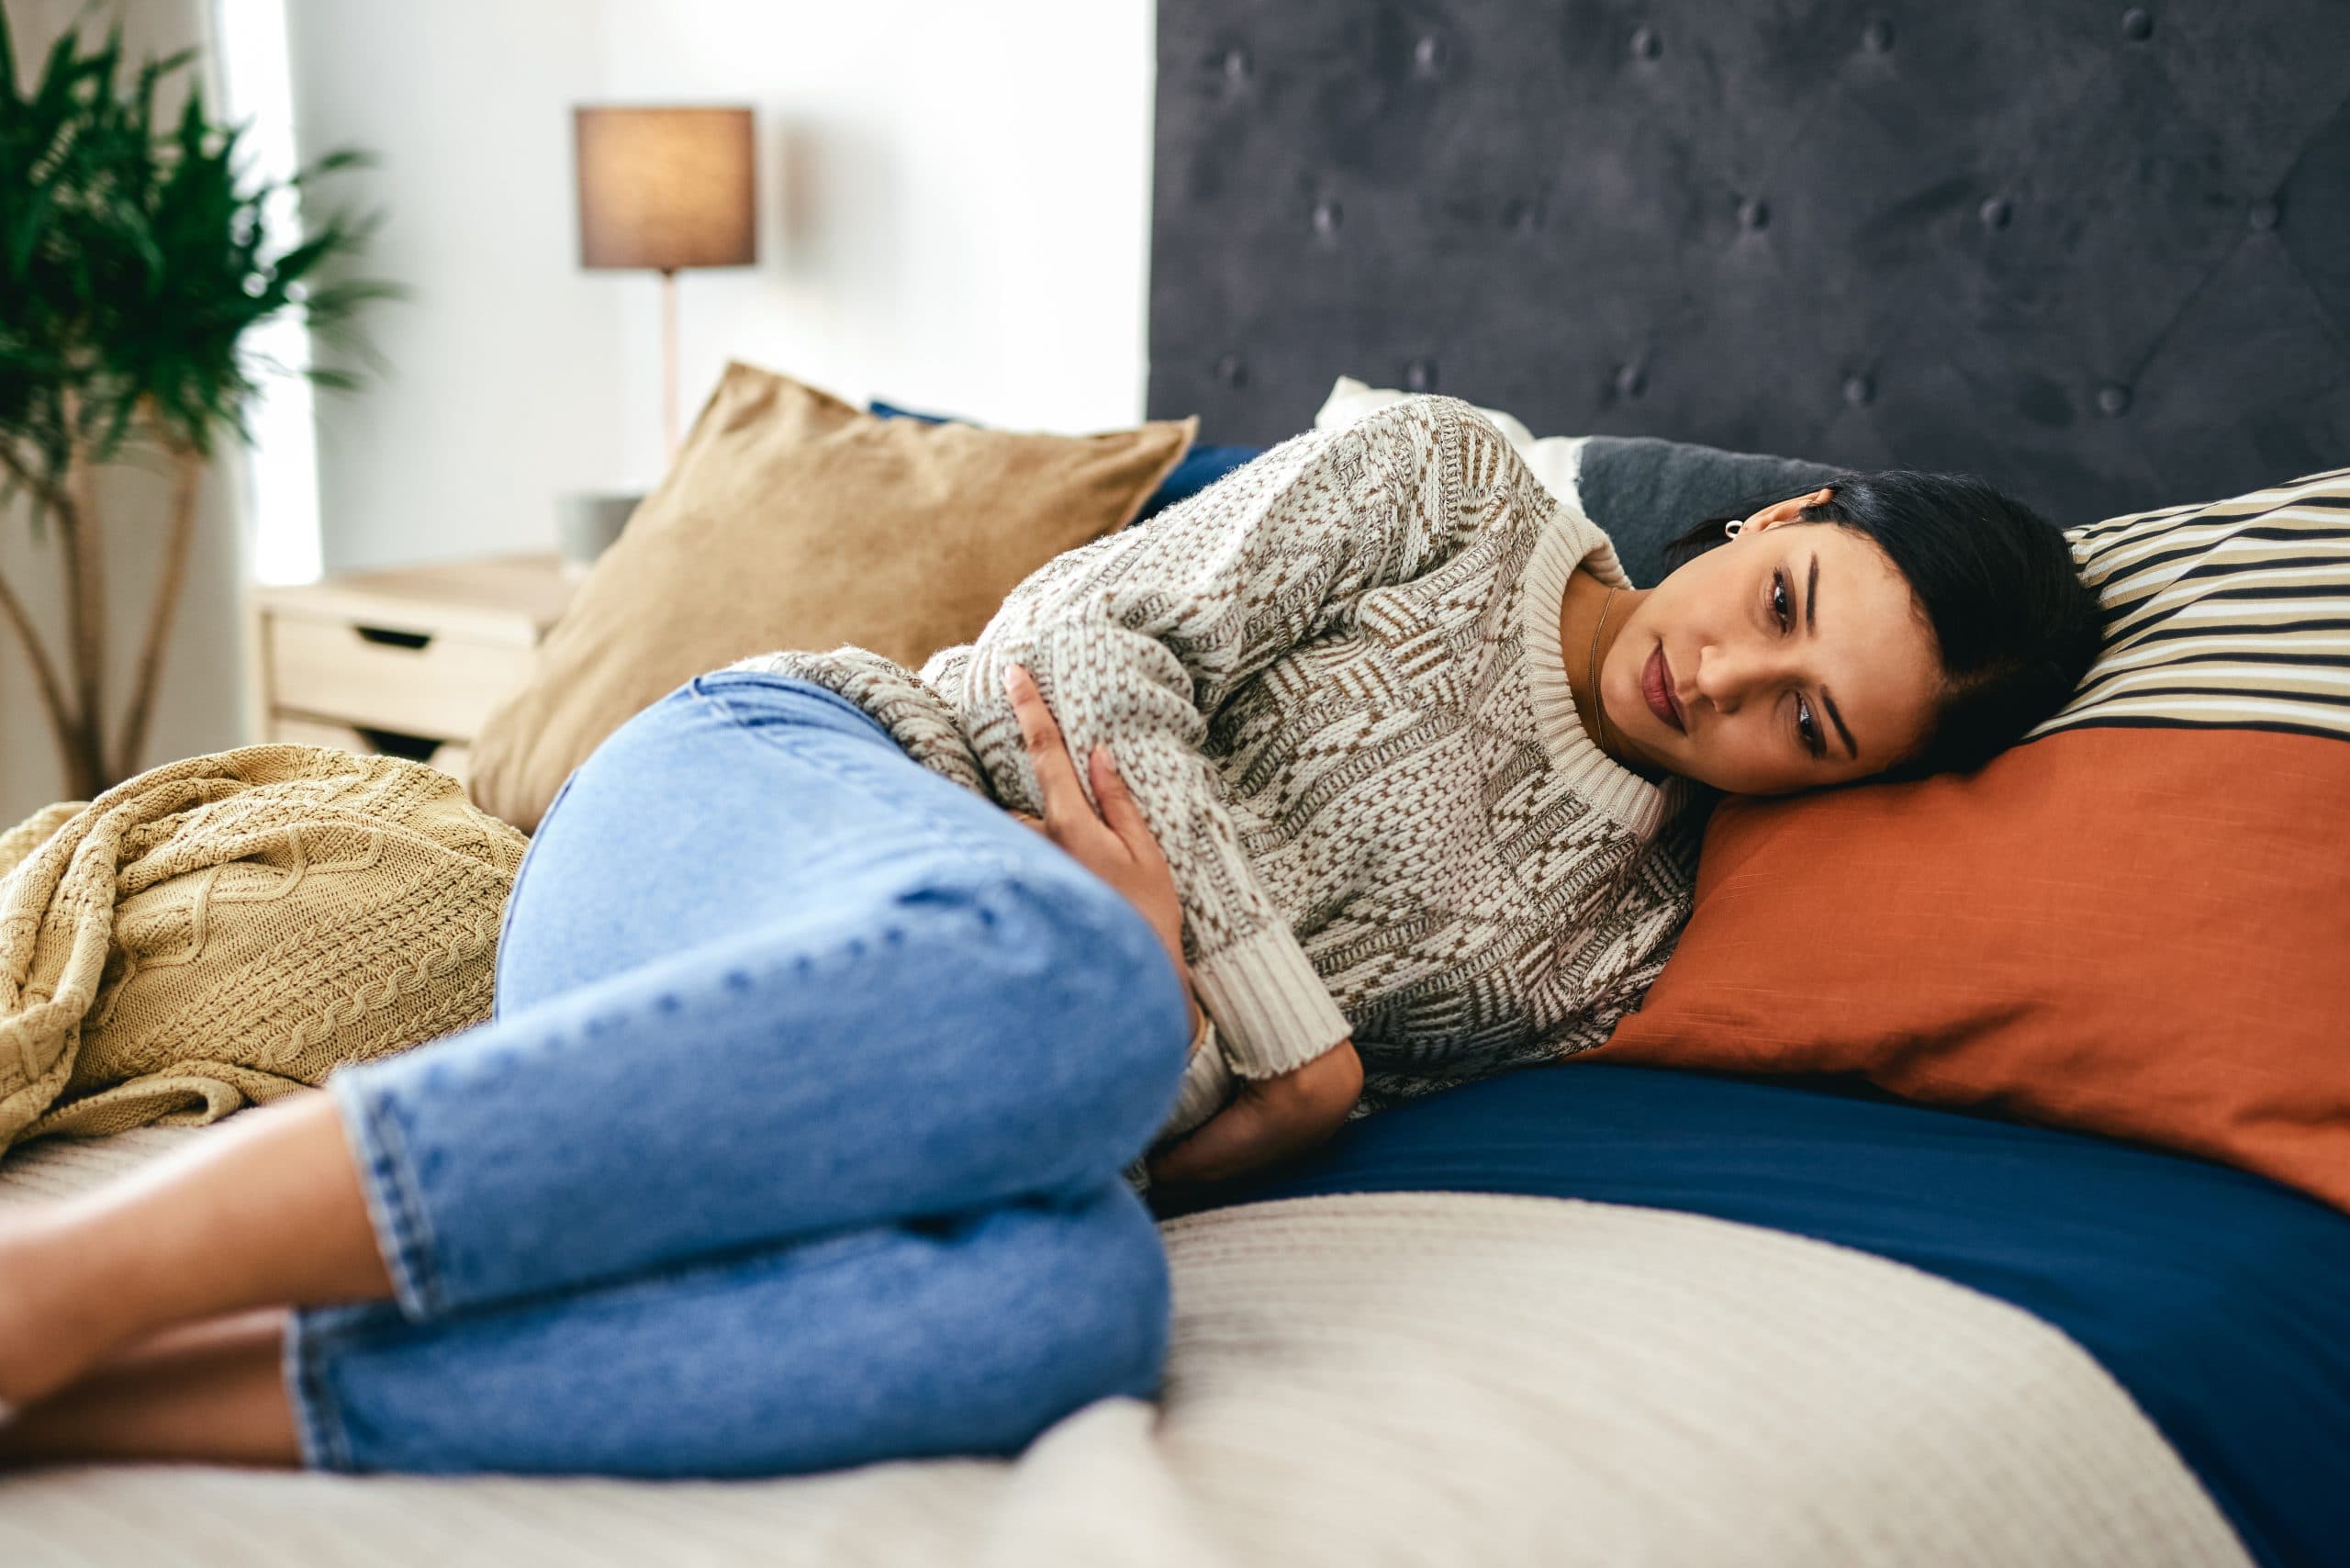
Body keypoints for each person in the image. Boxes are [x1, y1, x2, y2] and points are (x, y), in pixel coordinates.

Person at [0, 397, 2102, 1477]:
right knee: (1084, 982)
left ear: (1835, 783)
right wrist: (1255, 1015)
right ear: (1774, 519)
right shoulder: (1449, 487)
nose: (1730, 681)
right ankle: (68, 1272)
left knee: (1077, 1312)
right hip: (776, 794)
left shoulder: (1609, 944)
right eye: (1782, 607)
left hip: (916, 1093)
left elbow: (1145, 1119)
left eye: (1801, 723)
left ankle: (102, 1404)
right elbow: (1078, 636)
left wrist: (1263, 1127)